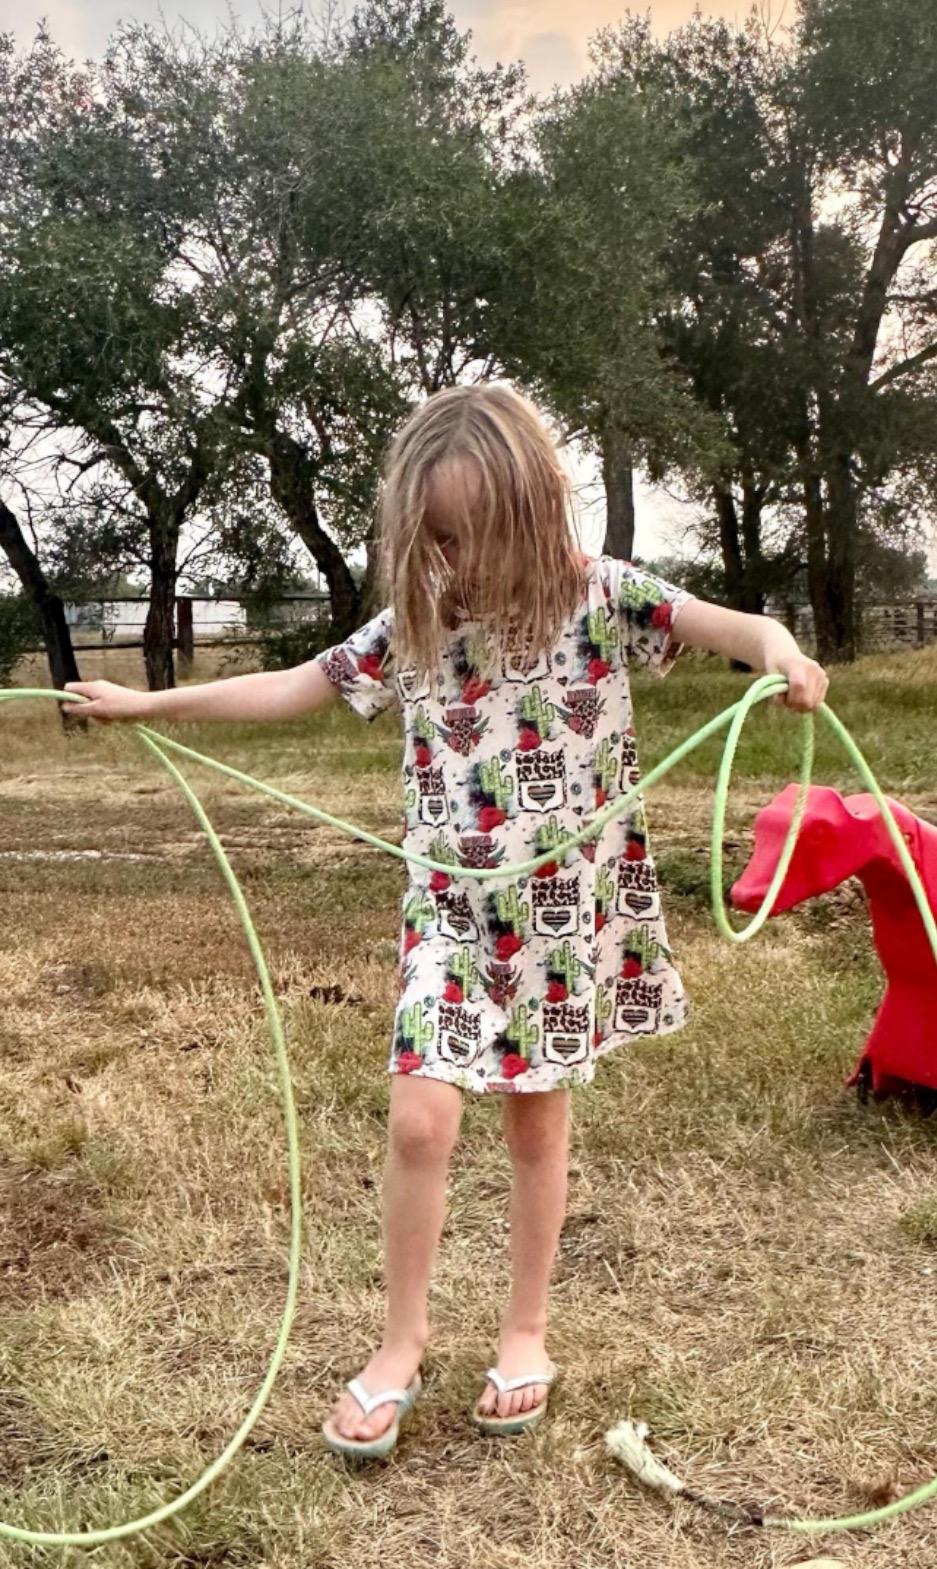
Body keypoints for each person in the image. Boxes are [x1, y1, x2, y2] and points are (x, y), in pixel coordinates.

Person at [63, 383, 829, 1461]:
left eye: (475, 534)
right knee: (420, 1122)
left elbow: (734, 626)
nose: (458, 559)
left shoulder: (604, 595)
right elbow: (294, 685)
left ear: (531, 509)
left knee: (534, 1126)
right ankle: (400, 1344)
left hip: (559, 920)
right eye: (439, 537)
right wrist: (150, 705)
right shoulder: (419, 626)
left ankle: (525, 1332)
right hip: (450, 916)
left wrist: (785, 656)